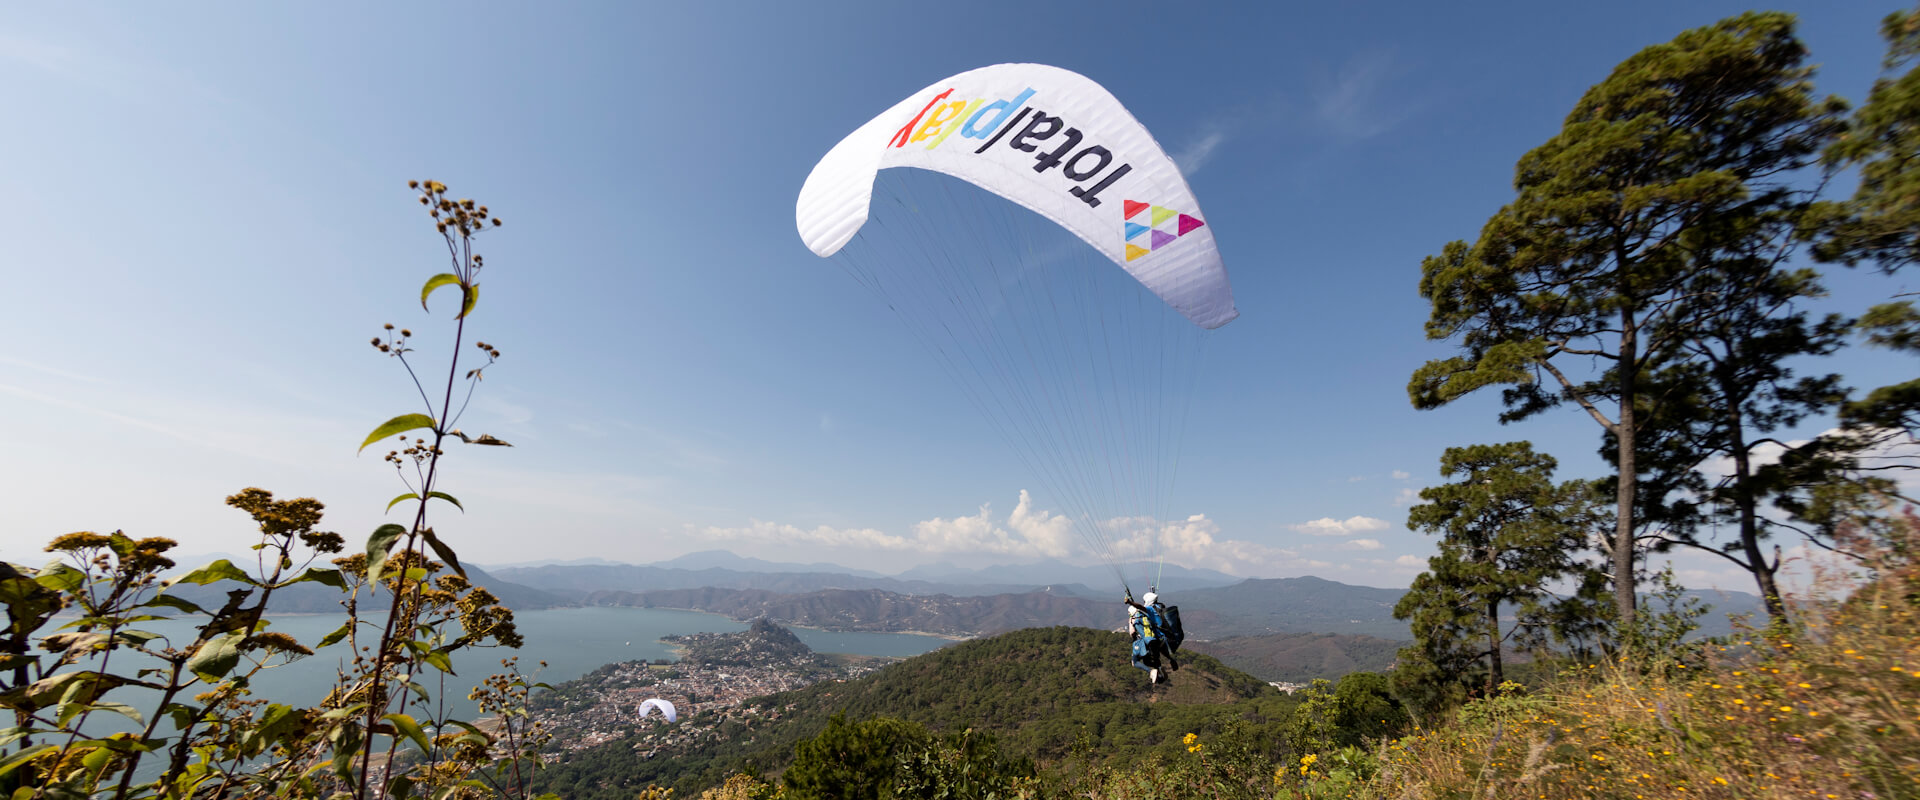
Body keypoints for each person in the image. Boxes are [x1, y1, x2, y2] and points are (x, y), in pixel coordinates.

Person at [1125, 591, 1178, 684]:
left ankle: (1152, 671)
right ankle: (1159, 671)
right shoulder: (1156, 609)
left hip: (1146, 641)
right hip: (1158, 638)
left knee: (1135, 661)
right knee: (1153, 657)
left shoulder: (1142, 613)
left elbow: (1132, 632)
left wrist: (1130, 603)